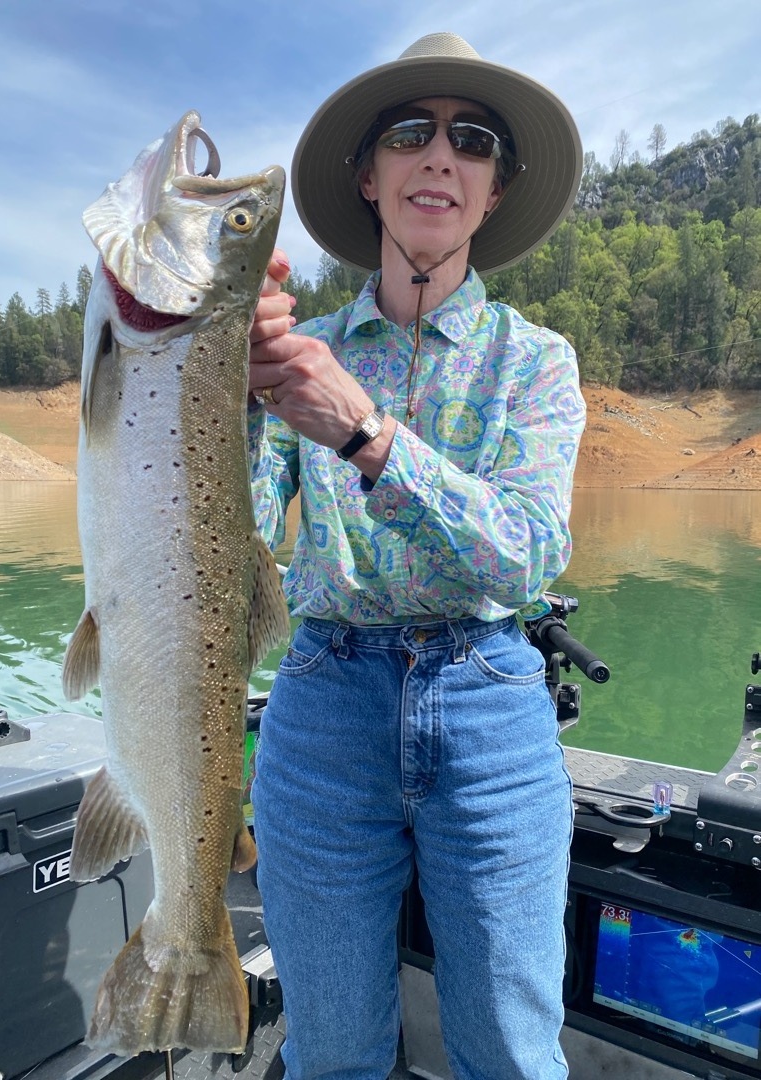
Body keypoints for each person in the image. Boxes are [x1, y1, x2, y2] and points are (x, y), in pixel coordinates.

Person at [247, 31, 586, 1080]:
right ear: (370, 177)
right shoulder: (287, 359)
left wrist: (366, 434)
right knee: (332, 1055)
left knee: (513, 1058)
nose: (441, 155)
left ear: (491, 191)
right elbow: (238, 540)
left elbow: (527, 557)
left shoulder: (538, 362)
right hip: (317, 710)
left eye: (472, 140)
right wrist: (209, 373)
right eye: (410, 132)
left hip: (490, 710)